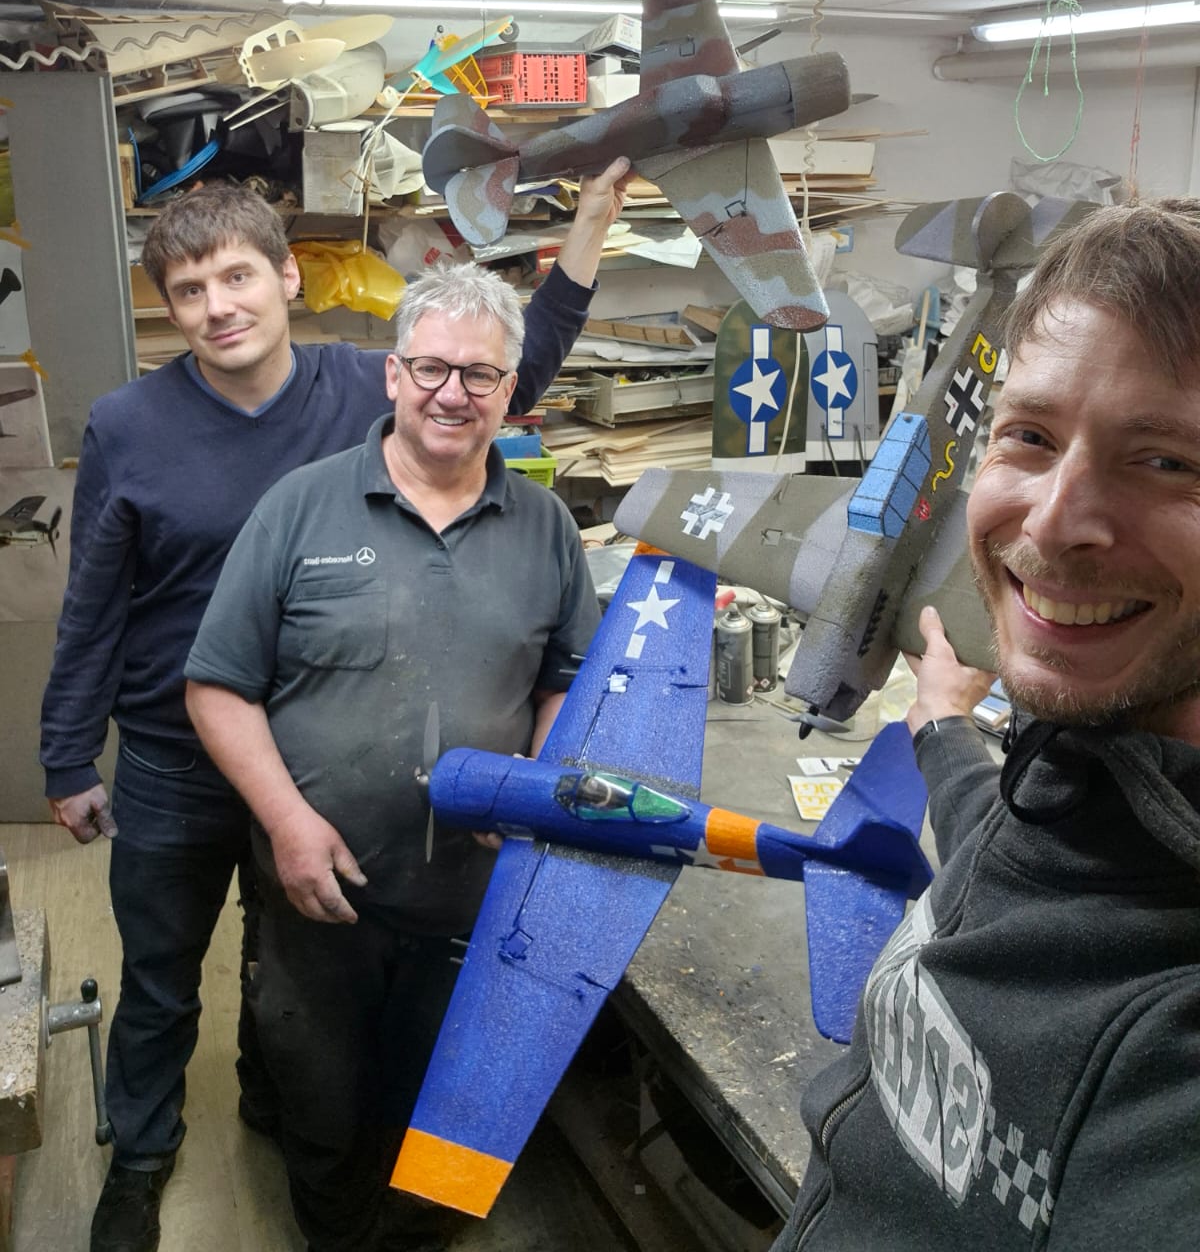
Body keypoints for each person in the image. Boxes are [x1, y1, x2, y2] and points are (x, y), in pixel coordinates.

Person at [39, 166, 626, 1252]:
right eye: (188, 291)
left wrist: (586, 229)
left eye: (236, 277)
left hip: (314, 741)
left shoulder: (366, 381)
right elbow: (94, 601)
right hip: (178, 748)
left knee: (286, 948)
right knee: (162, 974)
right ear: (169, 309)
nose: (218, 306)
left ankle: (277, 1102)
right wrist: (68, 754)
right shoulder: (129, 423)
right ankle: (143, 1155)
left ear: (286, 278)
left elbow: (503, 364)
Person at [772, 197, 1200, 1250]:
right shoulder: (1085, 766)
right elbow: (1021, 842)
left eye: (1167, 461)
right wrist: (941, 729)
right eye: (1030, 436)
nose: (1052, 522)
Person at [183, 260, 600, 1251]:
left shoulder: (545, 526)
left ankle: (414, 1234)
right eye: (432, 368)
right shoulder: (301, 507)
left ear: (510, 388)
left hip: (471, 901)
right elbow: (217, 686)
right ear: (393, 374)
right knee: (322, 1103)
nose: (453, 393)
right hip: (319, 892)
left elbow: (567, 681)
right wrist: (287, 822)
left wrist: (534, 786)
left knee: (441, 1103)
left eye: (480, 374)